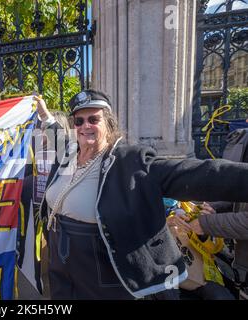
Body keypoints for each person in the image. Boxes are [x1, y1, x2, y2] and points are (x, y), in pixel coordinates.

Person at [33, 89, 248, 299]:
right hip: (61, 263)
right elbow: (55, 133)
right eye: (79, 121)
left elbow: (195, 173)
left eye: (93, 119)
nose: (85, 126)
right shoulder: (69, 153)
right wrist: (44, 114)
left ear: (108, 124)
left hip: (101, 270)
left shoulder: (129, 161)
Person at [168, 201, 248, 299]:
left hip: (203, 275)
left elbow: (214, 247)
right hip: (164, 275)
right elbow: (238, 202)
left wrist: (206, 226)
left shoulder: (184, 210)